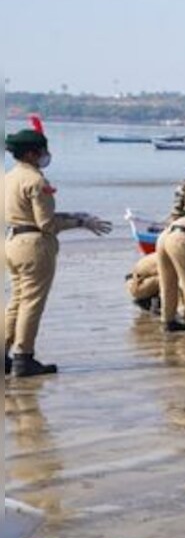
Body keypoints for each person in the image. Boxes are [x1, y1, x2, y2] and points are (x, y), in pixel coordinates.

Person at [5, 120, 112, 377]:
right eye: (42, 151)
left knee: (16, 302)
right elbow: (46, 223)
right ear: (32, 153)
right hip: (34, 246)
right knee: (32, 303)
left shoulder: (8, 177)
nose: (45, 156)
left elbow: (27, 214)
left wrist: (71, 214)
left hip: (11, 242)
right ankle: (24, 357)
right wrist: (81, 222)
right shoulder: (36, 181)